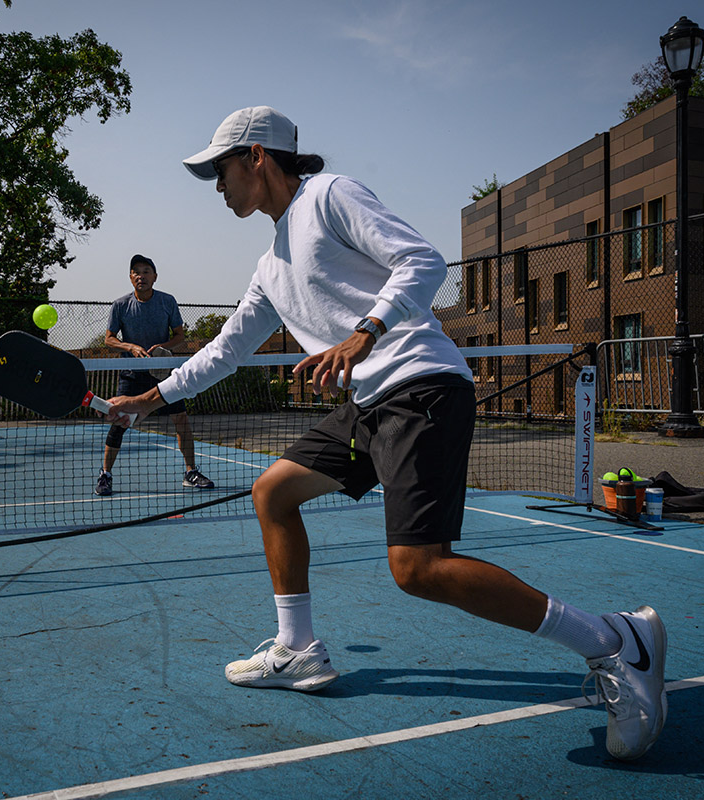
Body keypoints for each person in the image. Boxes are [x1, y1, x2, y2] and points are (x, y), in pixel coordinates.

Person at [105, 107, 668, 761]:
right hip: (369, 404)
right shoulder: (269, 267)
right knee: (274, 494)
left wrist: (364, 331)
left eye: (220, 169)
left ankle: (616, 640)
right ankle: (298, 650)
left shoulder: (330, 196)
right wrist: (151, 397)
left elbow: (422, 261)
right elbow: (226, 351)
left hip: (420, 387)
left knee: (419, 568)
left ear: (257, 157)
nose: (217, 185)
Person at [97, 253, 215, 496]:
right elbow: (109, 339)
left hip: (164, 374)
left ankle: (190, 472)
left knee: (181, 420)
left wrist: (164, 348)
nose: (141, 275)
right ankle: (105, 475)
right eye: (136, 271)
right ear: (131, 278)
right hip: (132, 373)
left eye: (146, 271)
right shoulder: (120, 305)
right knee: (120, 423)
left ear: (155, 276)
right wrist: (129, 346)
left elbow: (180, 336)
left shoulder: (167, 301)